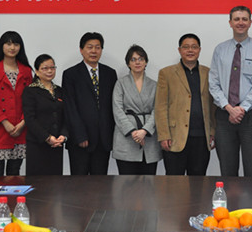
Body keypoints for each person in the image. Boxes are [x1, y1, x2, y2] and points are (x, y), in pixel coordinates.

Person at [209, 6, 252, 177]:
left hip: (251, 115)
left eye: (244, 19)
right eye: (236, 19)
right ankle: (229, 197)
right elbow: (213, 83)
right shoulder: (220, 49)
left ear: (250, 22)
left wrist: (242, 108)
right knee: (227, 170)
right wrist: (229, 108)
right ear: (230, 23)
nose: (240, 22)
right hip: (224, 115)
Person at [155, 33, 216, 175]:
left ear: (199, 50)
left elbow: (213, 105)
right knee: (174, 183)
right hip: (175, 138)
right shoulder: (166, 73)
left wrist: (212, 131)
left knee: (198, 182)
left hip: (201, 138)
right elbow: (160, 106)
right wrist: (164, 135)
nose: (190, 50)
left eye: (194, 47)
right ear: (179, 50)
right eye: (186, 47)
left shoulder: (209, 73)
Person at [62, 32, 118, 175]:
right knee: (79, 183)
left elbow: (113, 105)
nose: (94, 51)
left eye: (97, 47)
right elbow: (70, 108)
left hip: (103, 139)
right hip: (80, 139)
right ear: (81, 50)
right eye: (90, 47)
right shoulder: (70, 74)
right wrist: (80, 135)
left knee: (100, 183)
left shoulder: (110, 73)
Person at [0, 31, 33, 181]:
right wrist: (5, 122)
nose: (12, 47)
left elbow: (30, 101)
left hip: (20, 129)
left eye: (16, 44)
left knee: (14, 174)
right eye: (8, 44)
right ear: (1, 46)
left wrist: (22, 123)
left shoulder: (26, 70)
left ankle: (13, 198)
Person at [112, 45, 161, 175]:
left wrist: (144, 131)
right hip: (126, 138)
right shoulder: (120, 83)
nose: (137, 62)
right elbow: (117, 110)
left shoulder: (154, 85)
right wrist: (133, 132)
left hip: (148, 137)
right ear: (128, 63)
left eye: (141, 59)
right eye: (133, 59)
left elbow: (158, 110)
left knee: (149, 182)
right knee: (126, 182)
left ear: (146, 62)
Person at [22, 54, 68, 176]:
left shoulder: (60, 91)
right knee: (37, 183)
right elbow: (30, 119)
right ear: (37, 71)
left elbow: (66, 116)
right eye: (45, 68)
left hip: (57, 144)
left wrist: (63, 135)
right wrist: (47, 137)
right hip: (37, 144)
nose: (49, 71)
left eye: (52, 67)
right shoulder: (30, 91)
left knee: (55, 182)